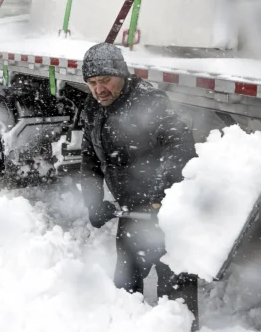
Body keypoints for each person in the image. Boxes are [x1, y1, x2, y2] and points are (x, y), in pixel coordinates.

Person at [78, 42, 200, 327]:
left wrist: (159, 197)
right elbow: (89, 160)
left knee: (177, 298)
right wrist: (93, 203)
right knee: (124, 292)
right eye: (93, 83)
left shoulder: (150, 102)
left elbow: (180, 148)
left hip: (169, 217)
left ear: (122, 74)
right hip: (132, 214)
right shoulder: (93, 109)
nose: (99, 89)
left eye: (105, 80)